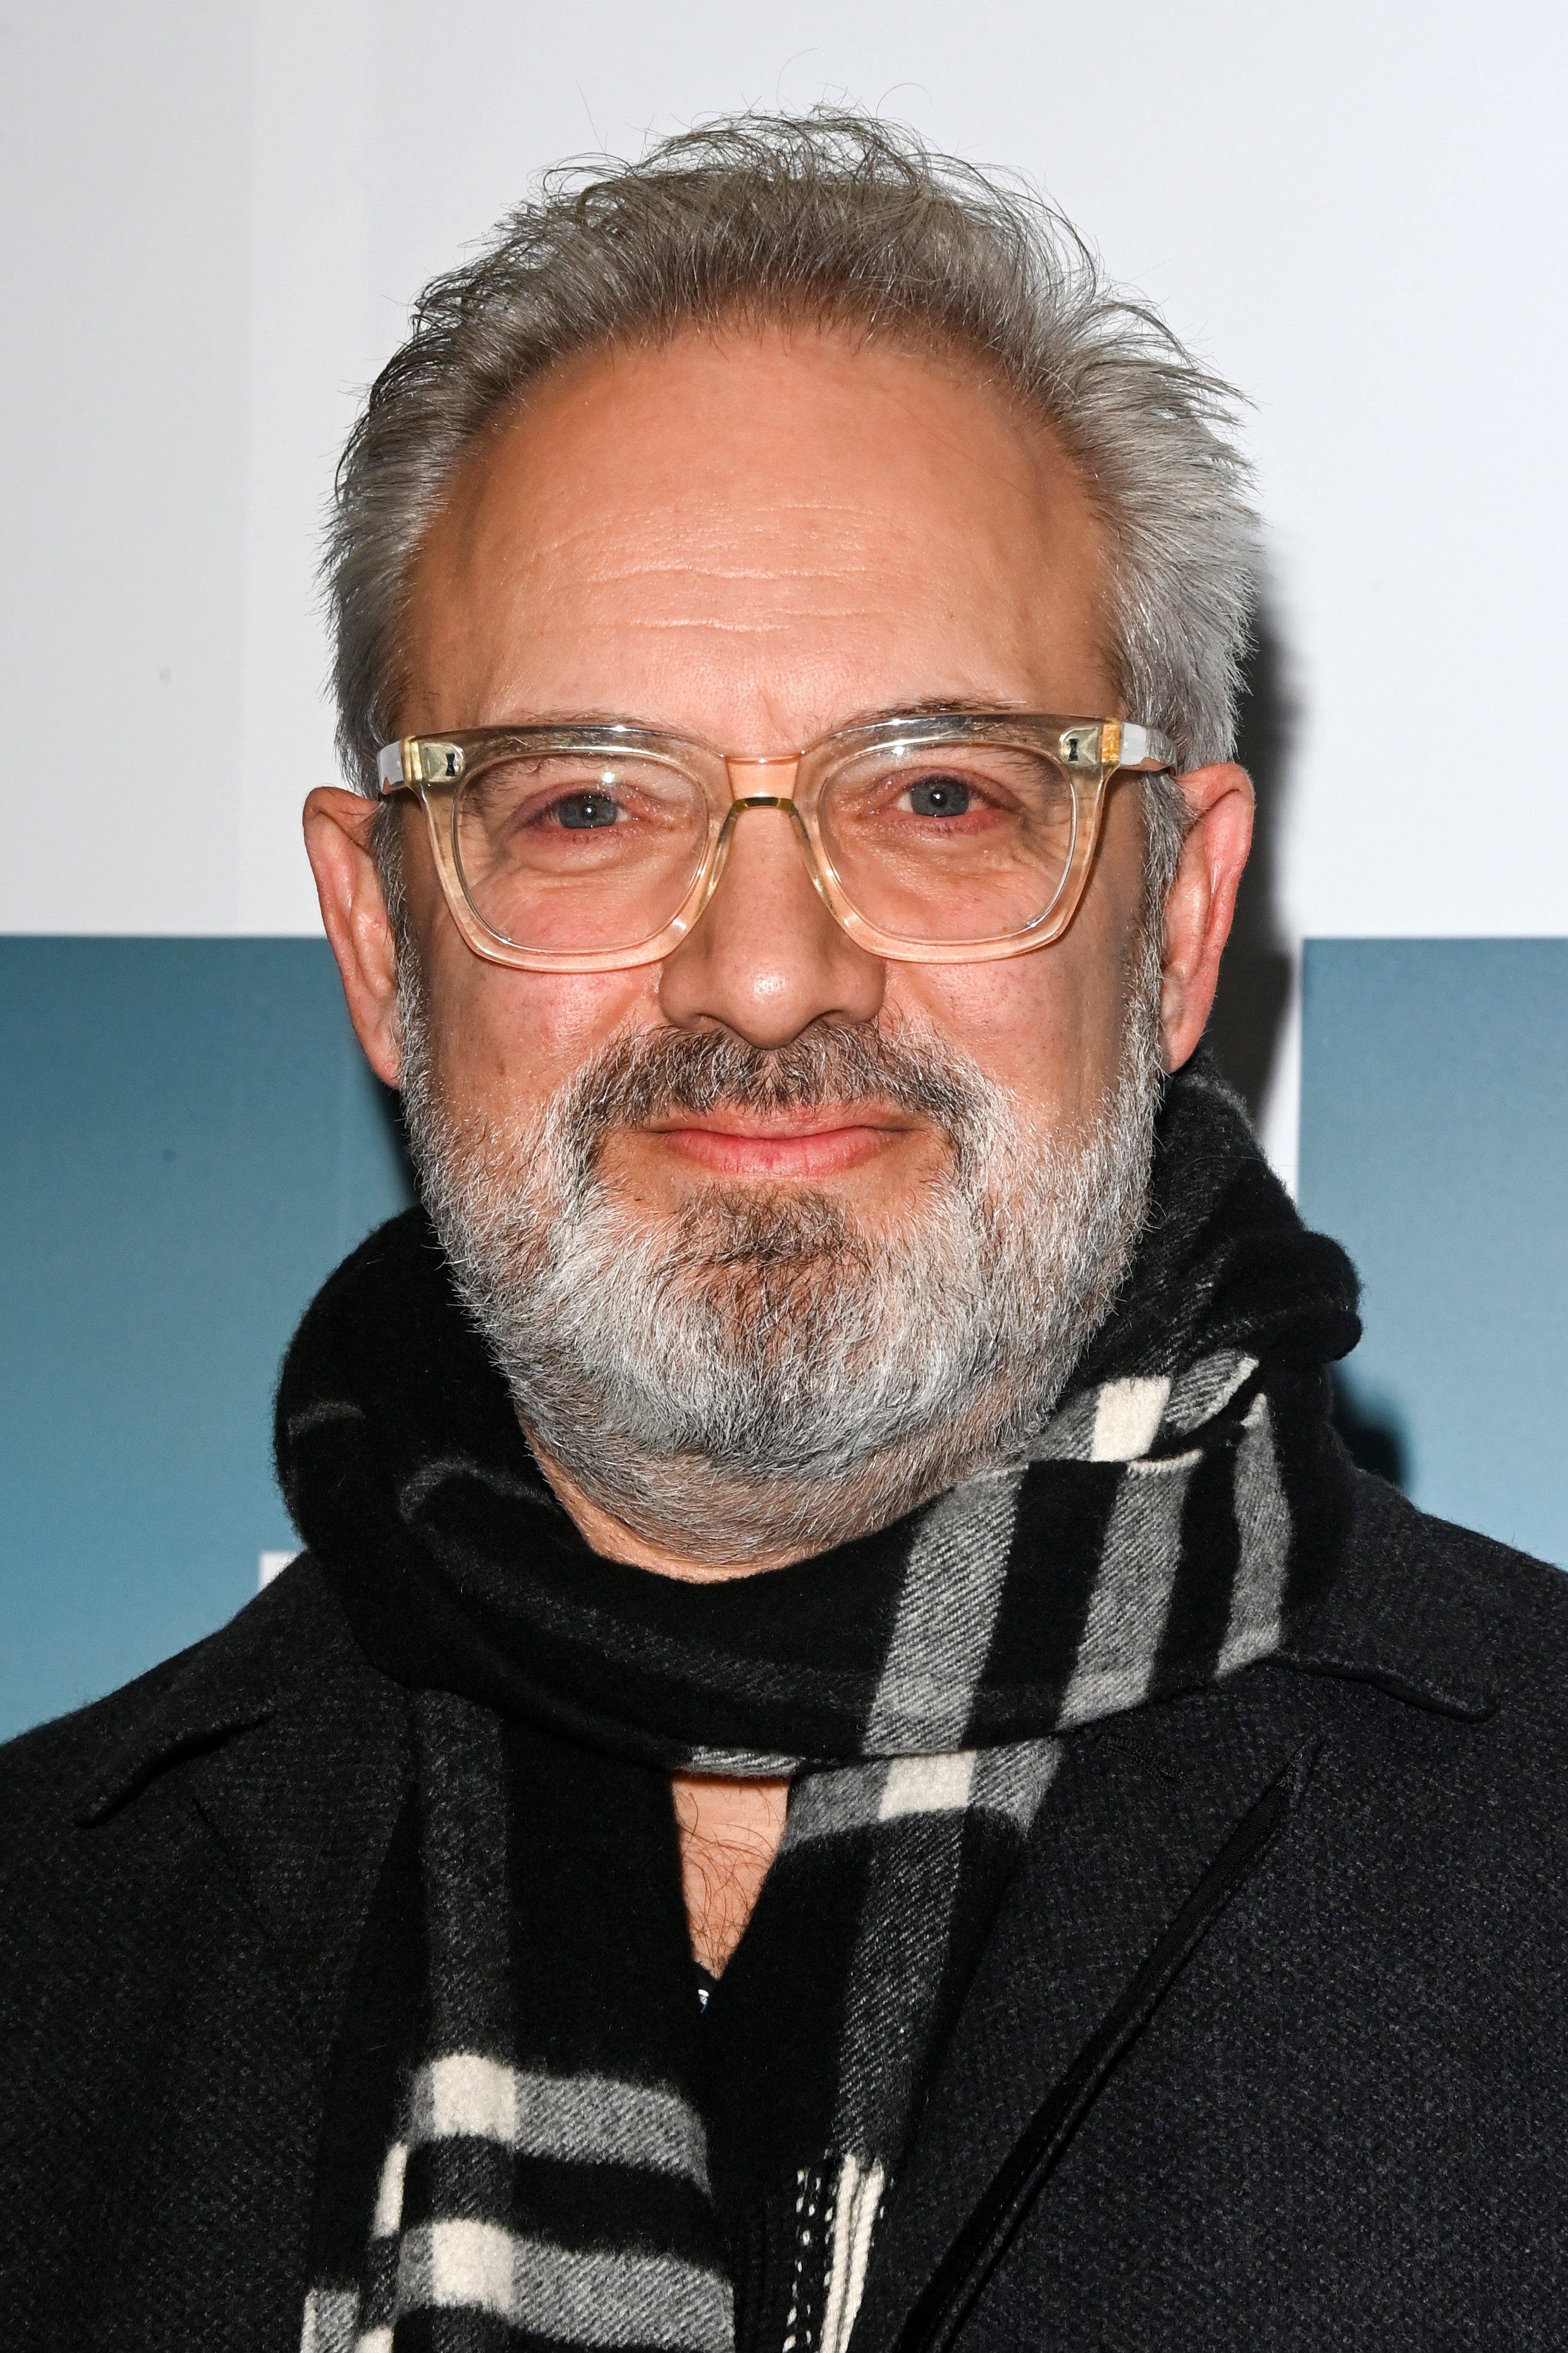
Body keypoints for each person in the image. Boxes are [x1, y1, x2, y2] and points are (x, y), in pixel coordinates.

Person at [2, 113, 1564, 2353]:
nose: (761, 972)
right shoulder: (46, 1948)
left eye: (935, 795)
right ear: (377, 933)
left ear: (1179, 915)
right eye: (583, 803)